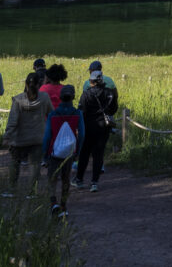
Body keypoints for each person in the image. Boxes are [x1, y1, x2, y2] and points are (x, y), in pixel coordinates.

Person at [2, 73, 52, 198]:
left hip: (19, 139)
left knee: (15, 162)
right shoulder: (44, 98)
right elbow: (51, 113)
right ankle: (31, 192)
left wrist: (7, 136)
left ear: (26, 84)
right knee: (35, 164)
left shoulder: (18, 100)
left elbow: (13, 121)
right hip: (38, 137)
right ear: (39, 84)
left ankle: (11, 189)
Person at [76, 60, 119, 192]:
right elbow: (114, 109)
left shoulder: (86, 94)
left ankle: (79, 179)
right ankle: (94, 182)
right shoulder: (109, 93)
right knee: (98, 153)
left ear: (91, 81)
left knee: (84, 153)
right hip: (103, 126)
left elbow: (81, 111)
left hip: (88, 126)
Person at [44, 84, 83, 218]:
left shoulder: (53, 114)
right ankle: (63, 205)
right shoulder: (77, 114)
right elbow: (82, 134)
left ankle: (53, 202)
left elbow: (47, 136)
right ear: (73, 97)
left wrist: (45, 153)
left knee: (52, 178)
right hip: (69, 151)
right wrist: (78, 150)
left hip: (54, 151)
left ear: (60, 97)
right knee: (66, 179)